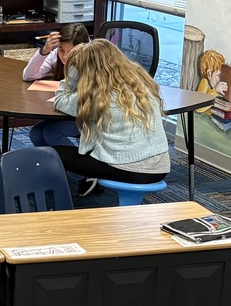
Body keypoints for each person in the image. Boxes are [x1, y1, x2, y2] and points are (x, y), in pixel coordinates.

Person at [49, 38, 170, 197]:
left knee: (51, 154)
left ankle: (58, 201)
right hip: (161, 166)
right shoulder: (141, 84)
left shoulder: (97, 96)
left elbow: (60, 100)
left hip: (130, 169)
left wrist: (72, 72)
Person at [21, 23, 91, 148]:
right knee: (36, 134)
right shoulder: (55, 56)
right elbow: (28, 75)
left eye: (70, 52)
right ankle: (57, 164)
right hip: (66, 111)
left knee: (52, 133)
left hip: (88, 116)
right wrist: (45, 51)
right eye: (61, 50)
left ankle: (76, 164)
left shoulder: (91, 62)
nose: (64, 56)